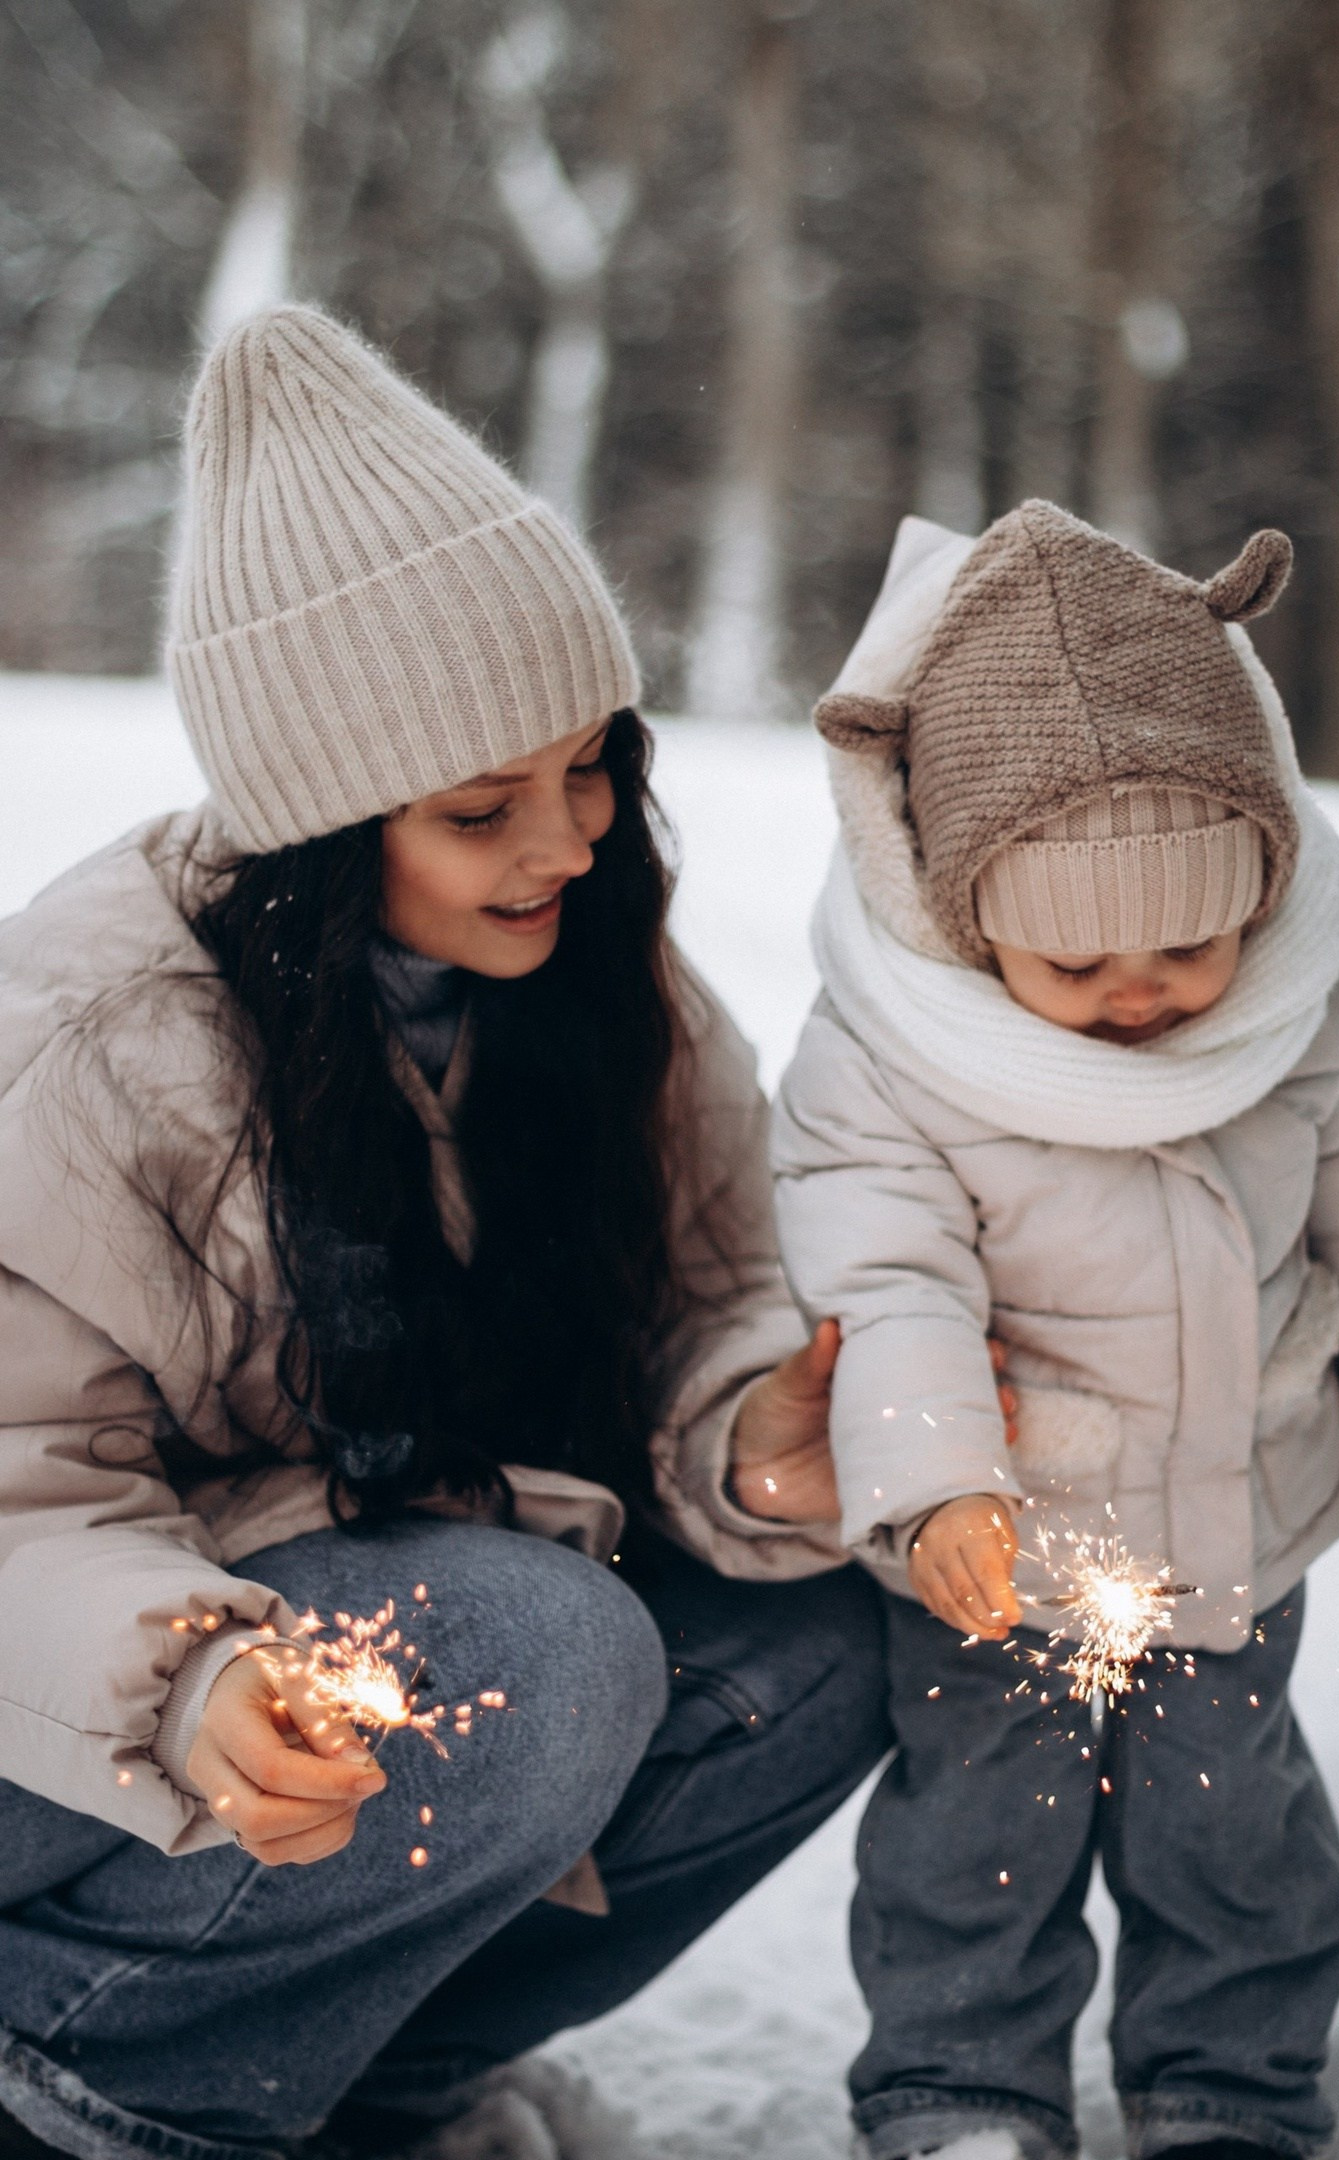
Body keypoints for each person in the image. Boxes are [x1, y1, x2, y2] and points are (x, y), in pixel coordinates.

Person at [0, 306, 898, 2160]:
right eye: (482, 805)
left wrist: (759, 1431)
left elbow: (714, 1298)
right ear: (321, 831)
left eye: (593, 767)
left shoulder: (591, 986)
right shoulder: (91, 1049)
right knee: (547, 1652)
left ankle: (376, 2082)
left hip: (392, 1628)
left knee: (848, 1624)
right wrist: (187, 1679)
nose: (568, 841)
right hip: (84, 1734)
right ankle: (93, 2078)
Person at [770, 503, 1339, 2160]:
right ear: (964, 911)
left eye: (1193, 943)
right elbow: (891, 1281)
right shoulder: (891, 1051)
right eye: (1075, 958)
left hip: (1233, 1519)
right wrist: (936, 1490)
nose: (1142, 992)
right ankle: (959, 2091)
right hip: (998, 1547)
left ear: (1263, 892)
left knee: (1237, 1838)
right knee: (975, 1843)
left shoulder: (1318, 1018)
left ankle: (1227, 2087)